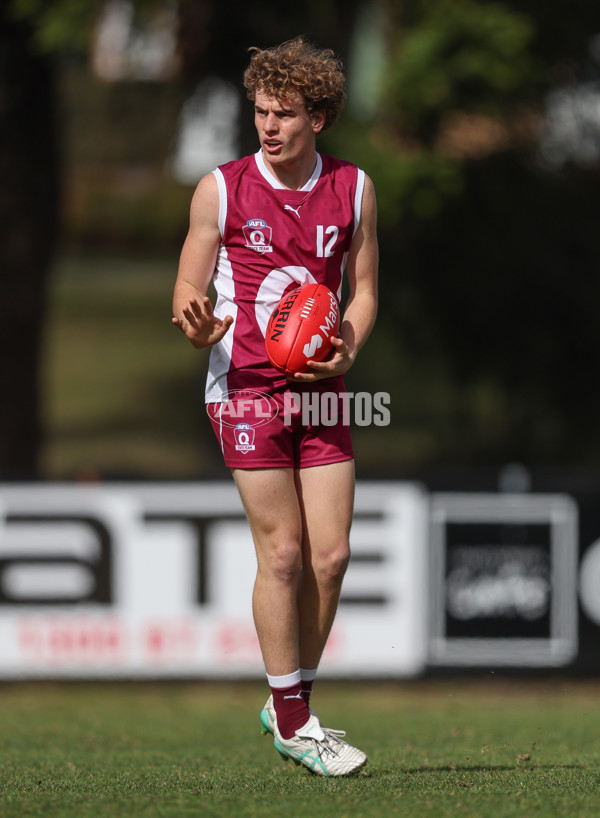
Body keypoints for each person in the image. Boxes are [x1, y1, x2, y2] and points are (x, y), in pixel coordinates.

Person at [172, 36, 378, 777]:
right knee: (284, 553)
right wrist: (197, 323)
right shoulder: (221, 188)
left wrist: (347, 348)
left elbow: (365, 292)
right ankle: (296, 721)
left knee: (332, 556)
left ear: (317, 118)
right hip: (247, 386)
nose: (268, 125)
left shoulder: (353, 187)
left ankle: (290, 701)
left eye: (284, 114)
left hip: (323, 389)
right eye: (260, 111)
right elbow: (187, 290)